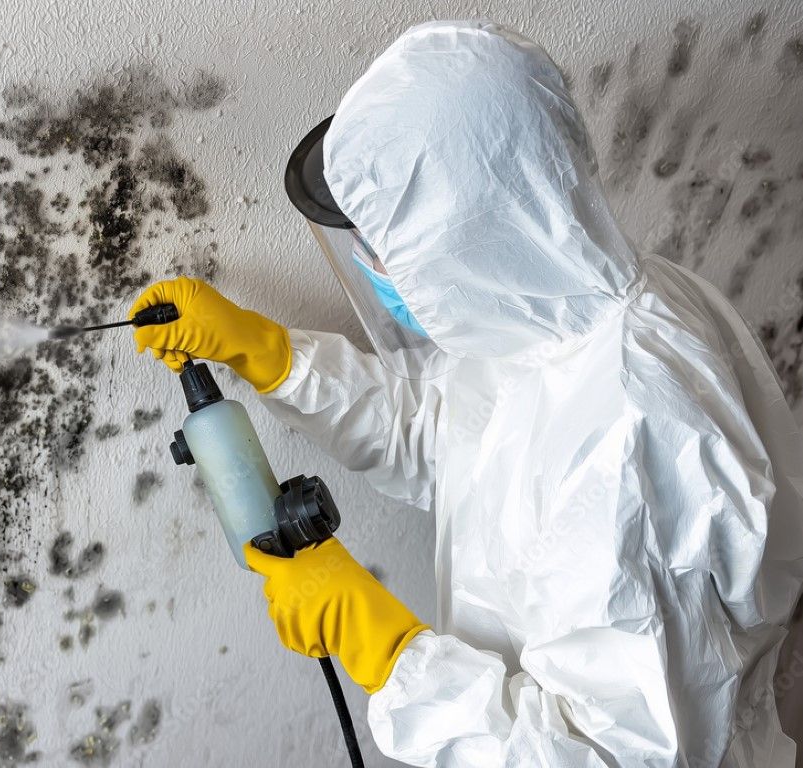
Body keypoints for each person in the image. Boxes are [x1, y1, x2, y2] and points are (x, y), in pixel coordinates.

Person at [132, 20, 803, 767]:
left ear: (462, 235)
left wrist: (386, 651)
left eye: (381, 243)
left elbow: (610, 756)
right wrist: (270, 356)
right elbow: (445, 431)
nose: (369, 262)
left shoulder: (630, 431)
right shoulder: (553, 316)